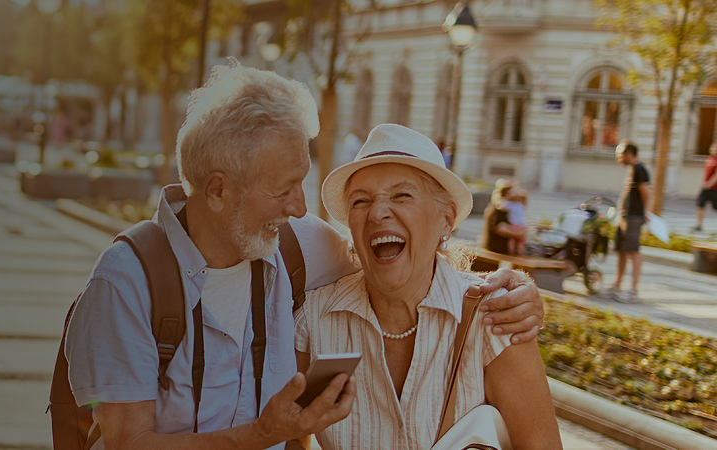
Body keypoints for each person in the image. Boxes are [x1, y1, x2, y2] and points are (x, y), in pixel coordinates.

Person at [63, 64, 546, 449]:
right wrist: (263, 435)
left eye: (303, 183)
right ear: (217, 191)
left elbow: (399, 268)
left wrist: (521, 289)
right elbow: (128, 443)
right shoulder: (126, 283)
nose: (299, 207)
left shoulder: (298, 245)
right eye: (284, 189)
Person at [297, 124, 562, 449]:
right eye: (360, 201)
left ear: (446, 219)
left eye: (402, 195)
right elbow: (295, 436)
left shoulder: (494, 319)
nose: (378, 212)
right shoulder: (314, 322)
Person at [612, 141, 650, 301]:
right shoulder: (632, 169)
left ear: (629, 154)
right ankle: (617, 285)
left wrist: (646, 213)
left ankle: (633, 290)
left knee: (633, 251)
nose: (618, 158)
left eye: (620, 155)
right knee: (621, 250)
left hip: (634, 216)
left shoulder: (640, 169)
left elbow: (646, 192)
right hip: (625, 216)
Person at [480, 180, 527, 256]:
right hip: (497, 249)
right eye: (513, 192)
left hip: (496, 248)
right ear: (507, 193)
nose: (517, 194)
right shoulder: (500, 208)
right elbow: (500, 228)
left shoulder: (500, 206)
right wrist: (519, 233)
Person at [692, 146, 717, 232]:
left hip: (714, 189)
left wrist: (710, 183)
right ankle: (699, 225)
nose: (714, 151)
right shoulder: (709, 160)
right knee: (700, 204)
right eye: (713, 149)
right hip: (705, 187)